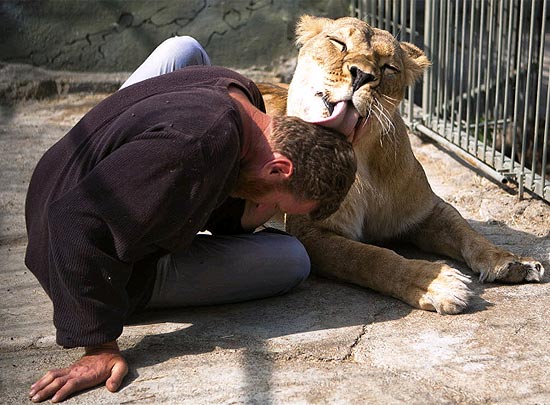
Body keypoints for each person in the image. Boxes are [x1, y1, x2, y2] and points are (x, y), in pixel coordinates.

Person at [26, 36, 357, 403]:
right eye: (278, 205)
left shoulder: (238, 91)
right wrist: (98, 346)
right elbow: (72, 220)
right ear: (280, 167)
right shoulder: (196, 149)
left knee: (186, 49)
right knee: (292, 258)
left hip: (60, 170)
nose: (272, 214)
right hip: (66, 251)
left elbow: (224, 190)